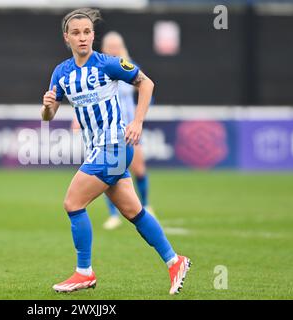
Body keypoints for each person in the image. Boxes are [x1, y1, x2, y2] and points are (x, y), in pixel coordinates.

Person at [41, 8, 191, 295]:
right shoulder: (61, 73)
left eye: (87, 32)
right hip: (97, 148)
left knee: (73, 203)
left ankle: (84, 272)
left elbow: (146, 83)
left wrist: (137, 121)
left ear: (93, 35)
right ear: (67, 38)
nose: (82, 37)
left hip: (114, 146)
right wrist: (47, 106)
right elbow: (48, 116)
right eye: (76, 33)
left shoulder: (108, 64)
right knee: (134, 211)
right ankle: (175, 261)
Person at [72, 31, 155, 230]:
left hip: (129, 129)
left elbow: (146, 88)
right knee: (109, 173)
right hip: (105, 132)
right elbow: (84, 99)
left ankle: (145, 205)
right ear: (104, 48)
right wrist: (77, 119)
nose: (113, 49)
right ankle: (113, 214)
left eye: (116, 46)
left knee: (138, 170)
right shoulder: (97, 70)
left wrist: (138, 118)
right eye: (110, 46)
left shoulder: (128, 66)